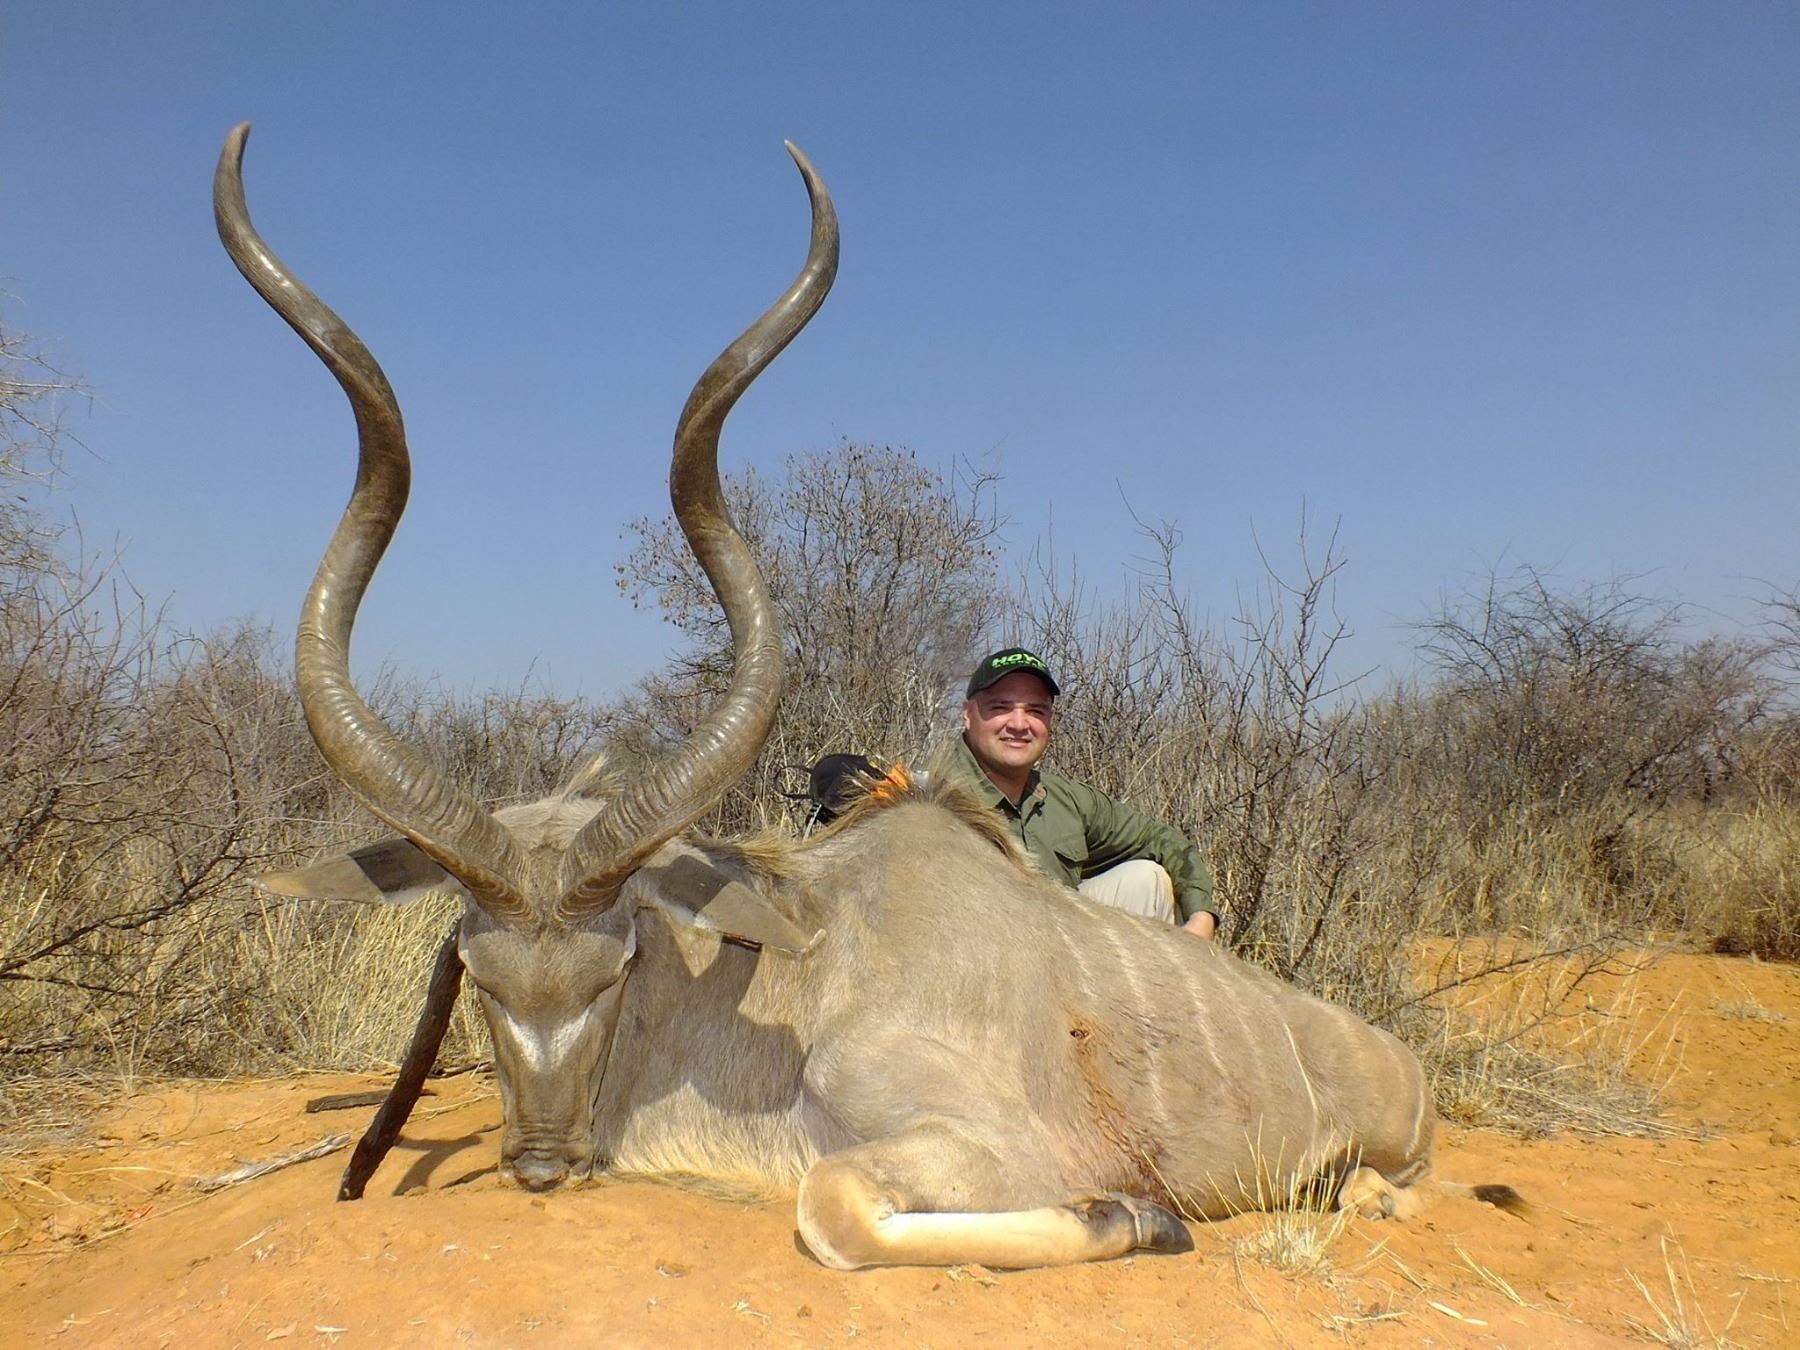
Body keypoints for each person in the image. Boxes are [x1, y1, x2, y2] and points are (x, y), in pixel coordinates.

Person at [926, 647, 1220, 937]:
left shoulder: (1065, 799)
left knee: (1146, 879)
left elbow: (1161, 839)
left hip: (1055, 947)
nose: (1018, 724)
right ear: (967, 714)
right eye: (1000, 707)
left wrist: (1202, 917)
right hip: (971, 952)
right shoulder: (928, 798)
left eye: (1035, 710)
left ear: (1050, 720)